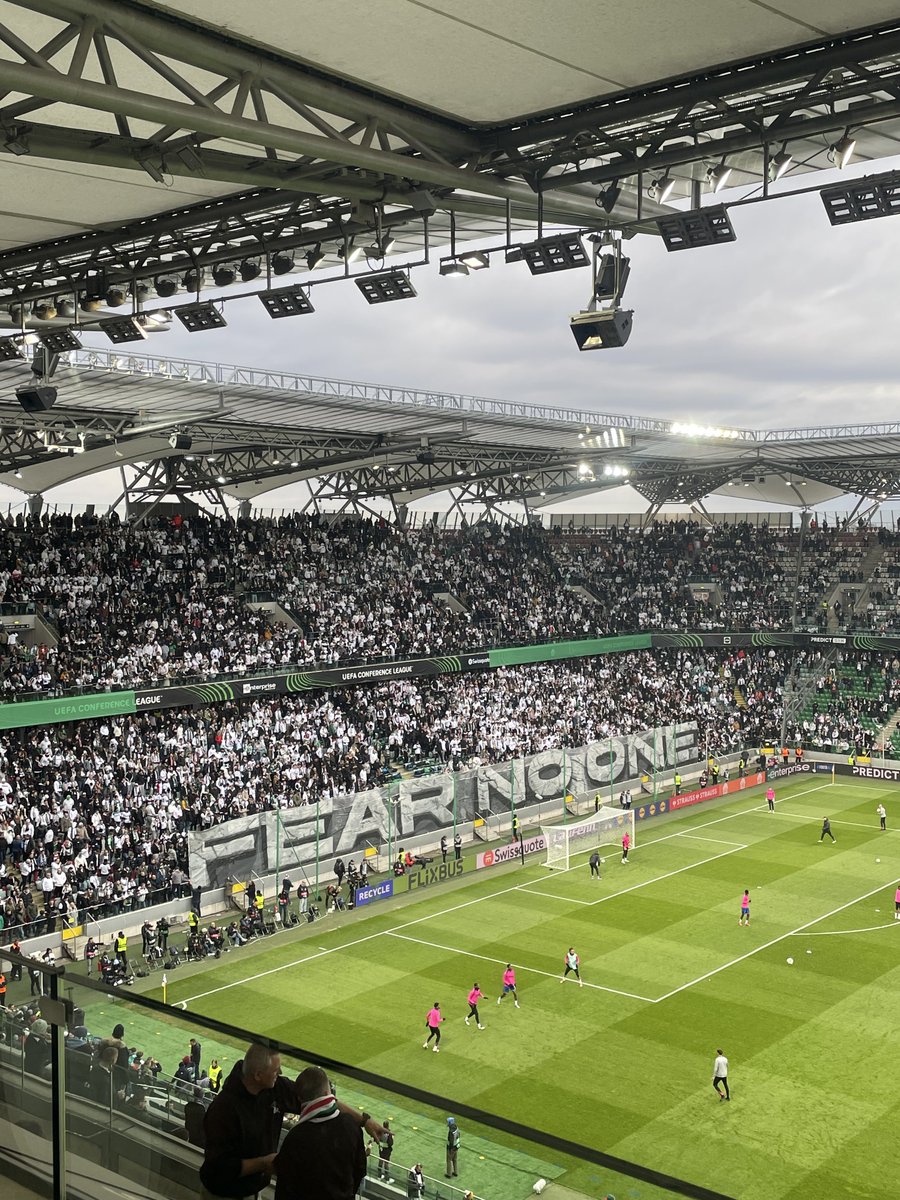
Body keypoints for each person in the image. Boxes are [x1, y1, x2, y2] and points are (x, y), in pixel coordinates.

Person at [201, 1043, 382, 1198]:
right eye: (275, 1070)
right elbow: (219, 1169)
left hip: (253, 1189)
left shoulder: (274, 1087)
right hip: (224, 1194)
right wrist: (264, 1163)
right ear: (258, 1075)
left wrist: (365, 1121)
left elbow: (321, 1099)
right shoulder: (223, 1110)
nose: (279, 1072)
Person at [273, 1066, 366, 1200]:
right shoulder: (350, 1125)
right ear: (327, 1092)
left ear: (299, 1098)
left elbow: (284, 1188)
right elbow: (359, 1172)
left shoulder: (296, 1137)